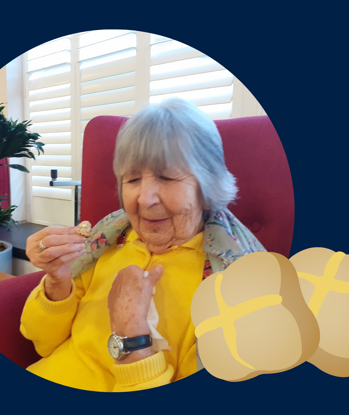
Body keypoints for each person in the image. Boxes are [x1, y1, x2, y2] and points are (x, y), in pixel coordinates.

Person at [20, 98, 265, 391]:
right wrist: (57, 280)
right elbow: (42, 343)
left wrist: (132, 333)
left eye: (167, 176)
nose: (144, 198)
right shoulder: (107, 241)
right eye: (132, 178)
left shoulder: (229, 286)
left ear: (207, 185)